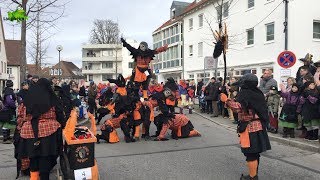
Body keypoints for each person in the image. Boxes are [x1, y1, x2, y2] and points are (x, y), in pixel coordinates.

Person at [18, 78, 65, 180]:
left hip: (29, 133)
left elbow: (21, 114)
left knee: (33, 158)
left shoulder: (27, 98)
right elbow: (59, 113)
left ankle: (34, 177)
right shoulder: (52, 98)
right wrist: (62, 124)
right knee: (45, 158)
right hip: (48, 131)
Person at [226, 73, 271, 180]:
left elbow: (238, 108)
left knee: (251, 154)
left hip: (250, 127)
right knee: (255, 153)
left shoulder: (245, 93)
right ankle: (253, 175)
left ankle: (252, 177)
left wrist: (226, 101)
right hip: (259, 126)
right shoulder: (257, 92)